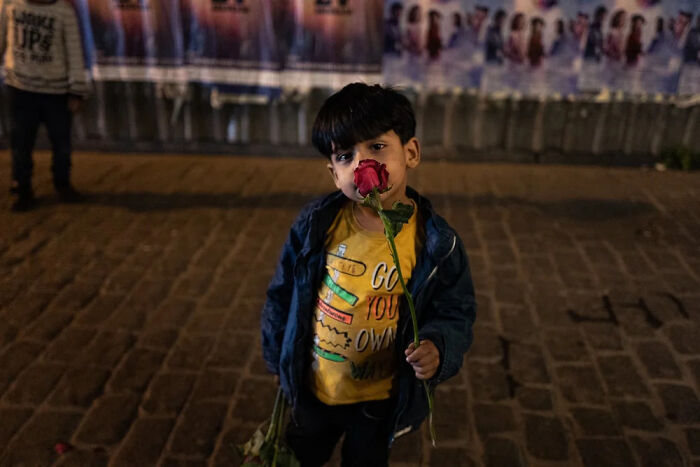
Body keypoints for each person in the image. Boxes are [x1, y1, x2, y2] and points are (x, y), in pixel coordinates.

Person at [261, 83, 476, 467]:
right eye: (346, 156)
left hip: (379, 401)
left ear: (410, 153)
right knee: (299, 456)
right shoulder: (316, 225)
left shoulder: (436, 243)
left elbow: (455, 310)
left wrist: (438, 346)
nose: (361, 164)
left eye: (376, 148)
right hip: (314, 389)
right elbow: (282, 291)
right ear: (333, 174)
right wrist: (279, 357)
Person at [0, 0, 90, 211]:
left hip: (56, 92)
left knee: (62, 144)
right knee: (21, 143)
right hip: (21, 88)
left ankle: (62, 184)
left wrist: (76, 90)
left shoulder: (63, 12)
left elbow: (74, 52)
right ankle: (22, 188)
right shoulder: (10, 5)